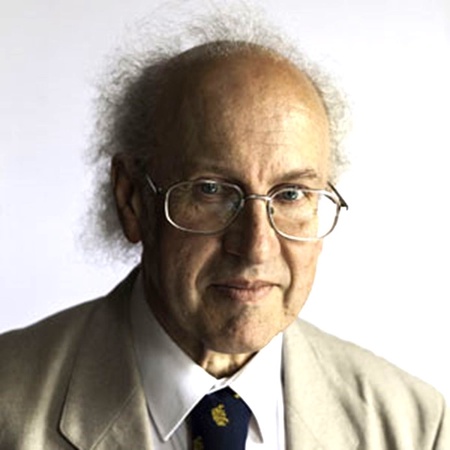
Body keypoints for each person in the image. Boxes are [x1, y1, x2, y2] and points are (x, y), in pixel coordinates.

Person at [0, 6, 448, 450]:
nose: (256, 246)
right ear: (132, 199)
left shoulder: (415, 427)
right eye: (211, 190)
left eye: (291, 194)